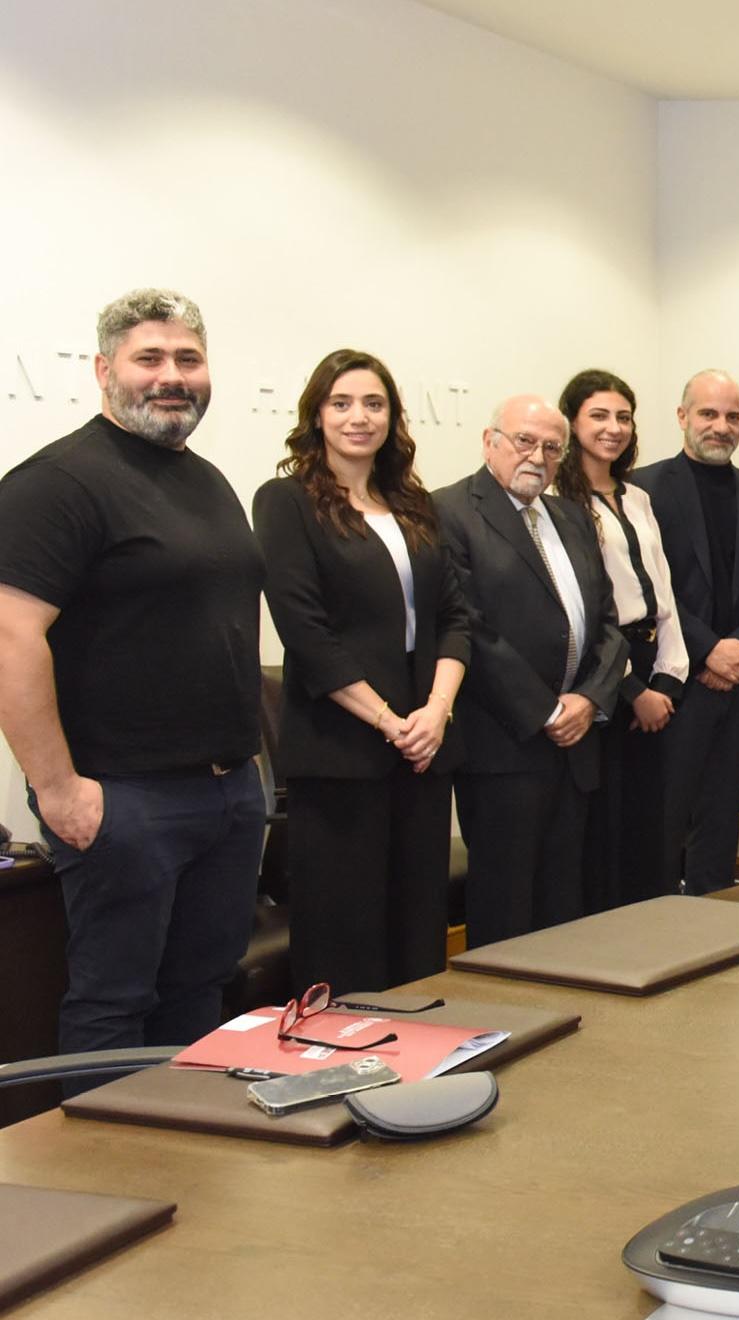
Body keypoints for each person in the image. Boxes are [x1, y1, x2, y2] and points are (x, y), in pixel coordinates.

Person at [0, 289, 262, 1064]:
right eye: (149, 358)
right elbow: (12, 636)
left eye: (188, 358)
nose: (170, 375)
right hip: (125, 802)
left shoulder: (206, 478)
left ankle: (188, 1167)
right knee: (114, 1003)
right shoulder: (58, 484)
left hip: (227, 792)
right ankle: (109, 1184)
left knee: (201, 991)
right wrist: (56, 790)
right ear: (104, 368)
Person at [254, 349, 468, 993]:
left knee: (418, 926)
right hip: (341, 749)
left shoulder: (413, 504)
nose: (358, 417)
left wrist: (435, 712)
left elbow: (455, 616)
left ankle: (422, 1065)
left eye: (373, 404)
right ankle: (342, 1066)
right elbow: (306, 633)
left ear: (392, 417)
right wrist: (388, 720)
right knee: (345, 933)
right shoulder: (285, 501)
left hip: (423, 748)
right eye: (342, 403)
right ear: (316, 415)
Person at [433, 396, 625, 945]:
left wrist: (589, 699)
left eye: (551, 446)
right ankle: (501, 1026)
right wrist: (544, 710)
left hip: (577, 741)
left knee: (566, 904)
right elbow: (468, 624)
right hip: (503, 747)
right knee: (506, 908)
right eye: (524, 441)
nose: (537, 456)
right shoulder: (449, 511)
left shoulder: (569, 516)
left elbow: (608, 624)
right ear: (490, 440)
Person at [631, 370, 739, 893]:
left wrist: (737, 652)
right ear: (682, 417)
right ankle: (655, 926)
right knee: (661, 818)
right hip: (675, 683)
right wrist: (708, 651)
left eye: (732, 416)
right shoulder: (642, 490)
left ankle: (712, 921)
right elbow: (649, 586)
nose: (720, 426)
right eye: (708, 413)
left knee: (720, 819)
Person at [554, 369, 687, 909]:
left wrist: (669, 682)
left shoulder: (637, 497)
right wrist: (633, 691)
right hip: (604, 671)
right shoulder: (558, 500)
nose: (613, 428)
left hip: (657, 664)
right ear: (571, 423)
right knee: (605, 829)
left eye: (624, 417)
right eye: (599, 416)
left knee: (652, 827)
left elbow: (664, 591)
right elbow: (589, 608)